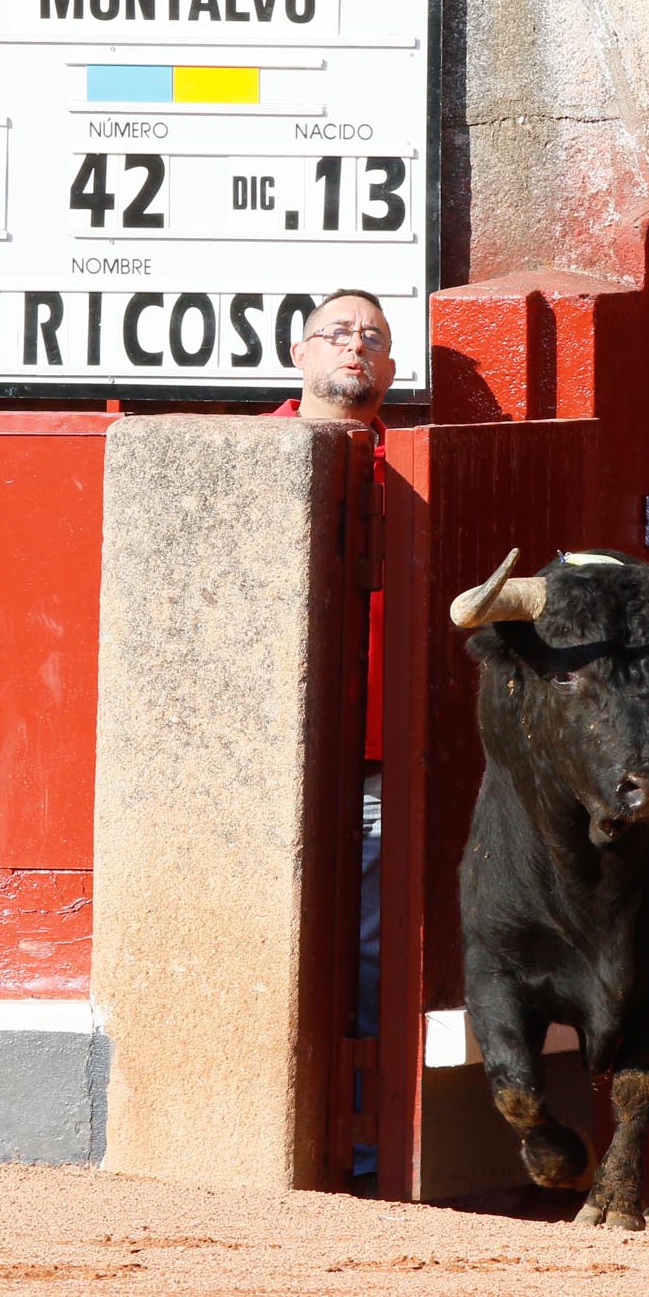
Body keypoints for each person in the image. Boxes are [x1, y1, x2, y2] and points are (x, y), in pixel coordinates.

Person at [272, 288, 395, 1178]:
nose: (356, 345)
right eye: (338, 332)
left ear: (389, 370)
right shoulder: (249, 456)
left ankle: (358, 1143)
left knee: (366, 947)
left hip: (377, 760)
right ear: (299, 353)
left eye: (373, 338)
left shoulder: (414, 467)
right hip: (267, 760)